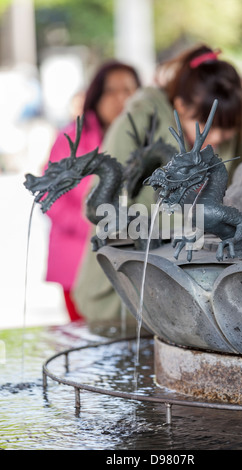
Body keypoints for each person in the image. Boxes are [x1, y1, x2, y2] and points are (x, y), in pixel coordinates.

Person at [73, 44, 242, 324]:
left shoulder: (233, 122)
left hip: (193, 289)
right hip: (122, 292)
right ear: (180, 106)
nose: (217, 138)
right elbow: (102, 208)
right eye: (207, 125)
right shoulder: (140, 118)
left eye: (226, 129)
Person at [44, 60, 141, 321]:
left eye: (129, 89)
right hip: (76, 258)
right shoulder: (72, 137)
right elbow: (49, 195)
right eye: (112, 90)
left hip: (128, 261)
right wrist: (88, 224)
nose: (122, 98)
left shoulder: (145, 139)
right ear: (96, 96)